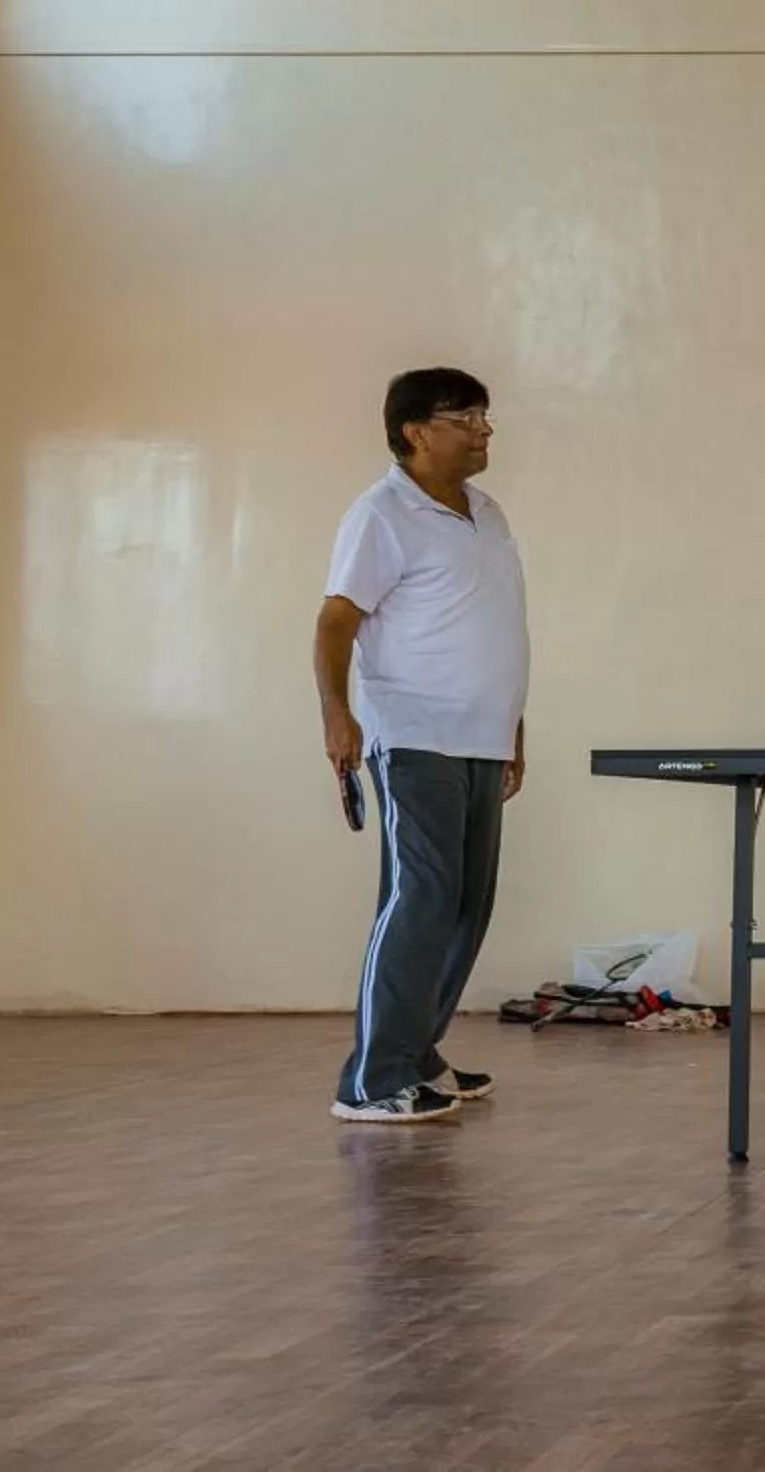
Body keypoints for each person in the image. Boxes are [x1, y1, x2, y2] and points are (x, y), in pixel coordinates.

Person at [313, 368, 530, 1123]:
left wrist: (512, 725)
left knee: (468, 904)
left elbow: (492, 624)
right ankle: (372, 1079)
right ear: (415, 431)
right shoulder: (382, 513)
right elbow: (336, 621)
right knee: (421, 897)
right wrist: (337, 714)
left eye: (485, 415)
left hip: (480, 736)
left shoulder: (487, 512)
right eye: (465, 416)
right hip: (412, 733)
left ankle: (416, 1053)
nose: (484, 428)